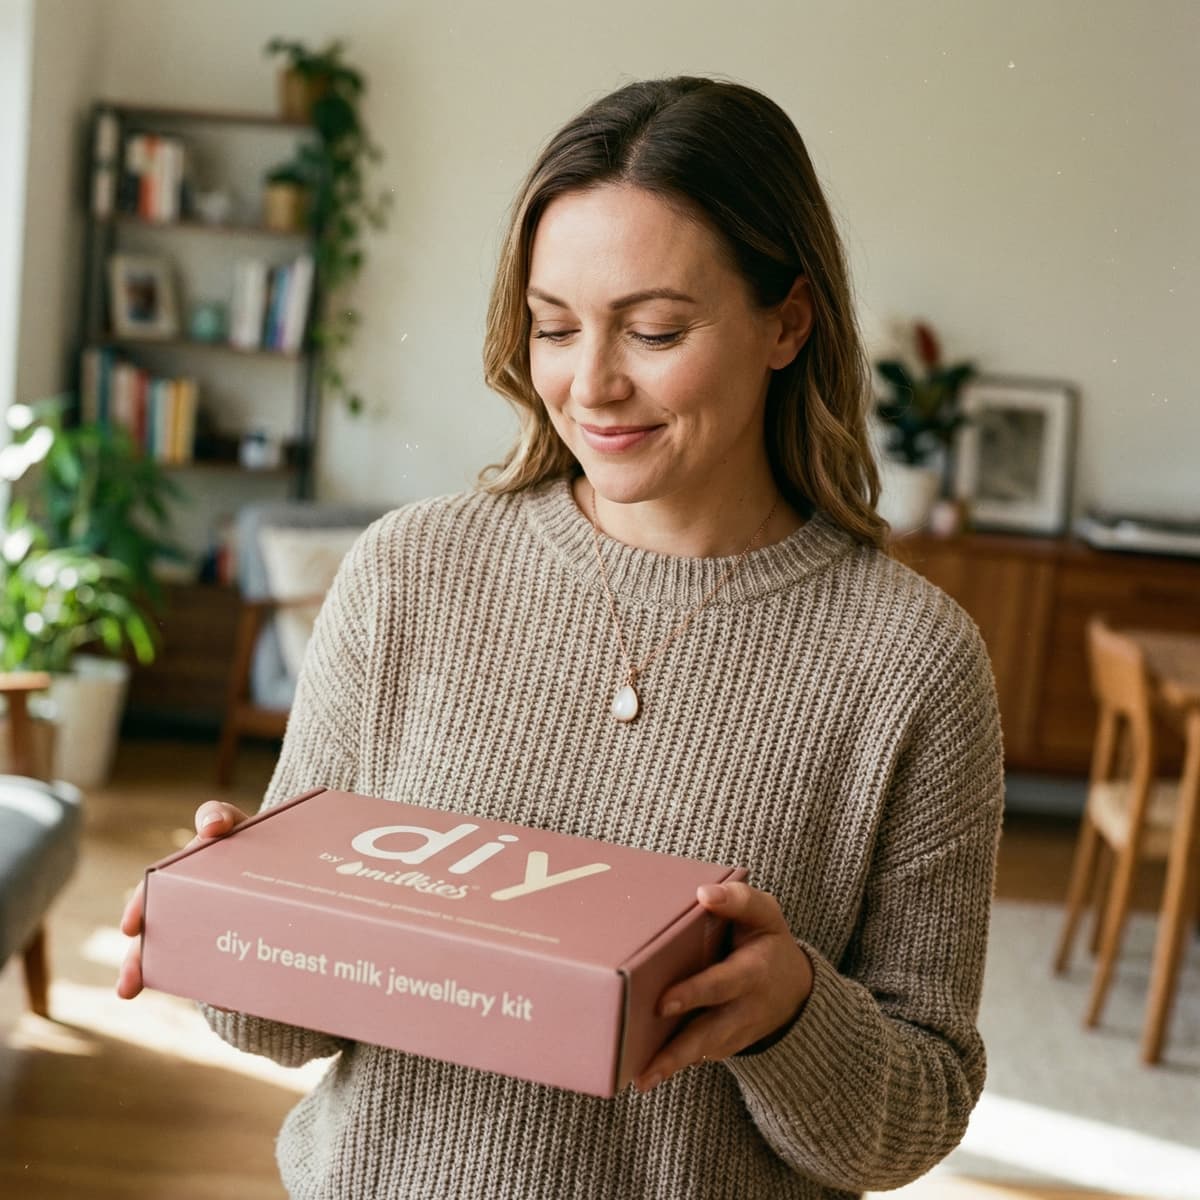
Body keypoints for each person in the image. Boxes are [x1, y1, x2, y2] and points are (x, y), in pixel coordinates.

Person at [118, 75, 1003, 1199]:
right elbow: (283, 1027)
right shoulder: (408, 572)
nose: (592, 385)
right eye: (553, 327)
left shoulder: (914, 662)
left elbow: (917, 1114)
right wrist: (227, 922)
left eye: (655, 329)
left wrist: (790, 1017)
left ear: (788, 322)